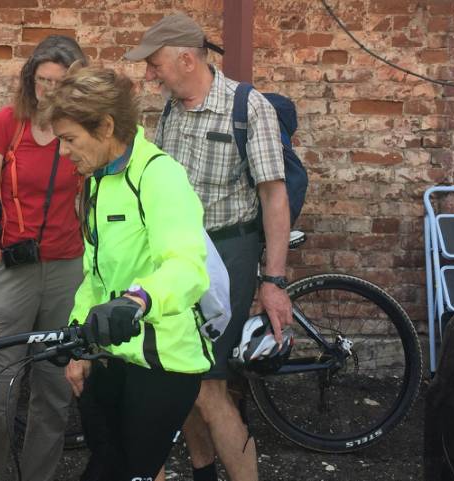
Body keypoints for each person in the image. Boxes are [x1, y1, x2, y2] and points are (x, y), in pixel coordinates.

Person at [124, 13, 294, 481]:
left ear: (185, 59)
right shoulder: (171, 109)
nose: (150, 75)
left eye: (155, 64)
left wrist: (273, 281)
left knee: (208, 387)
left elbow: (274, 196)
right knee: (182, 377)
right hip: (180, 256)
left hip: (229, 253)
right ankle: (204, 473)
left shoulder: (248, 107)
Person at [49, 64, 212, 480]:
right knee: (111, 464)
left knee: (121, 471)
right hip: (111, 353)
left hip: (162, 361)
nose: (63, 152)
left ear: (105, 127)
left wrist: (138, 300)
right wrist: (78, 339)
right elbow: (95, 275)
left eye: (70, 139)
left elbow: (187, 266)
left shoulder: (159, 176)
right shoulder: (98, 179)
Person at [0, 35, 87, 480]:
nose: (48, 90)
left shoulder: (82, 129)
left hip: (67, 266)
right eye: (42, 80)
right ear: (30, 78)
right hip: (12, 266)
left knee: (55, 384)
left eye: (58, 82)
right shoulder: (8, 123)